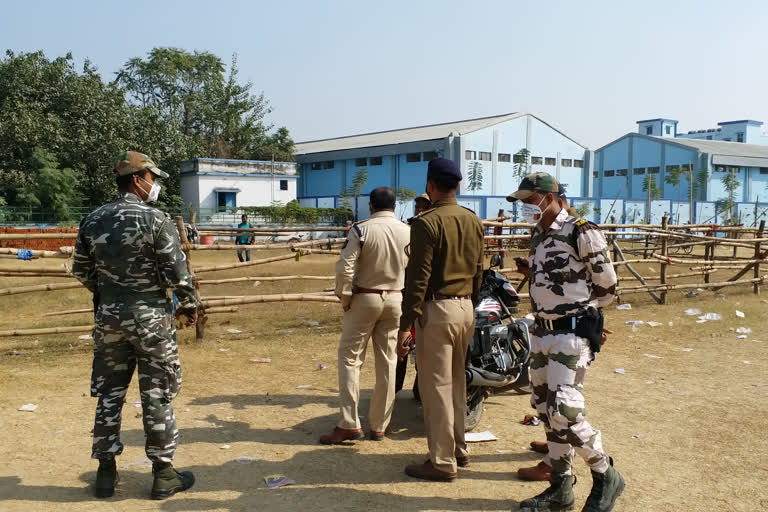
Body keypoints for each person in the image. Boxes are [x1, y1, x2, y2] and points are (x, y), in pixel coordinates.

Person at [72, 151, 198, 500]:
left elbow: (81, 270)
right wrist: (189, 306)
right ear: (137, 179)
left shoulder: (93, 220)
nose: (153, 185)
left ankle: (105, 473)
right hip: (152, 321)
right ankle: (163, 473)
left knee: (109, 395)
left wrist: (109, 297)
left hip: (109, 320)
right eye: (152, 178)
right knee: (157, 393)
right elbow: (177, 272)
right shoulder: (155, 220)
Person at [507, 172, 625, 512]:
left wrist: (582, 316)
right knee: (545, 410)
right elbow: (557, 277)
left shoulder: (581, 230)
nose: (527, 208)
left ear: (550, 196)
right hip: (542, 332)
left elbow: (607, 287)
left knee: (566, 412)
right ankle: (561, 487)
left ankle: (606, 474)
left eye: (530, 201)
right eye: (524, 203)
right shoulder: (539, 235)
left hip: (570, 334)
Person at [397, 158, 484, 482]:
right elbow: (479, 270)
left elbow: (417, 279)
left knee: (436, 389)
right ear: (458, 186)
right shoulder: (472, 220)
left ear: (430, 186)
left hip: (438, 310)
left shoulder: (425, 222)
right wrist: (469, 303)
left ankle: (442, 461)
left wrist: (407, 322)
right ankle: (458, 450)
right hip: (465, 309)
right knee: (458, 383)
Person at [319, 187, 411, 444]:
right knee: (388, 362)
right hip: (396, 298)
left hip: (365, 297)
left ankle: (349, 423)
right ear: (394, 206)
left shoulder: (362, 229)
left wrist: (345, 297)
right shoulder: (407, 230)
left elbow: (345, 266)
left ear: (370, 206)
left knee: (350, 359)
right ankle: (380, 425)